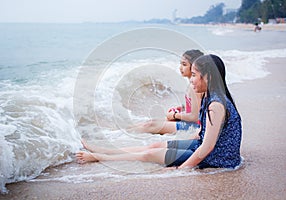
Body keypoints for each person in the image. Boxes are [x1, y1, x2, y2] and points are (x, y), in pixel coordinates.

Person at [76, 54, 242, 169]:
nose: (191, 80)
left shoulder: (216, 105)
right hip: (208, 149)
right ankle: (105, 150)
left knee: (149, 154)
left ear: (208, 77)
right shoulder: (209, 96)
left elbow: (207, 148)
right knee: (155, 145)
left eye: (194, 75)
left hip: (218, 159)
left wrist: (182, 169)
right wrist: (185, 144)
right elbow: (203, 134)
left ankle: (100, 158)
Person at [128, 50, 204, 134]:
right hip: (191, 123)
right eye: (180, 64)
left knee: (151, 125)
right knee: (151, 122)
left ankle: (123, 135)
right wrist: (180, 109)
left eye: (184, 64)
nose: (180, 68)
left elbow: (195, 117)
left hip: (195, 127)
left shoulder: (195, 87)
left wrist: (175, 115)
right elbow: (197, 107)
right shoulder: (192, 84)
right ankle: (118, 133)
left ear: (194, 67)